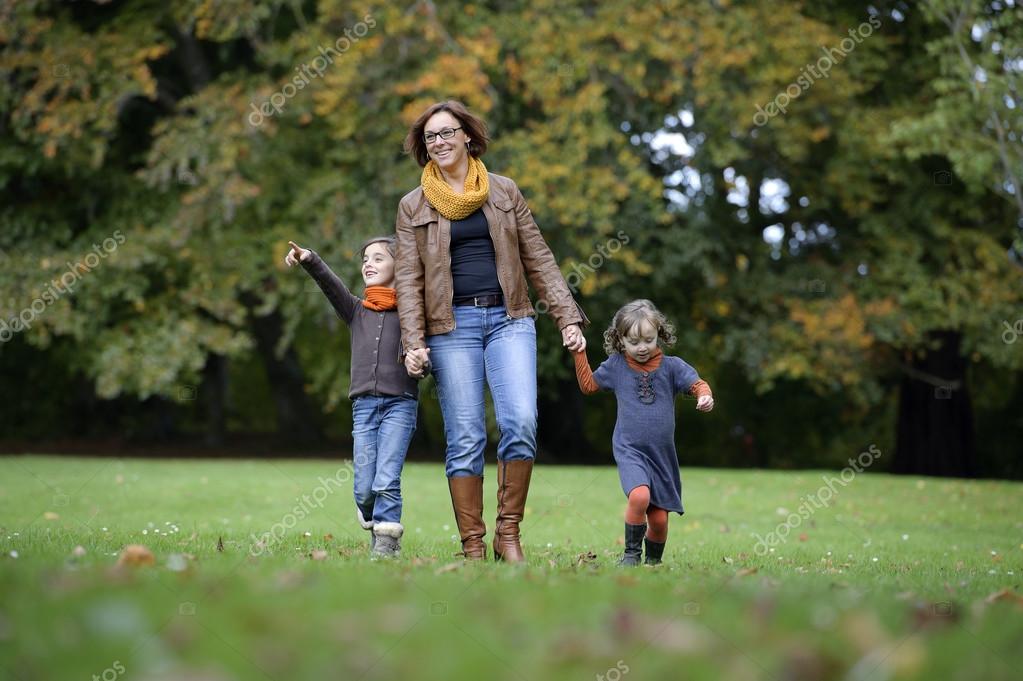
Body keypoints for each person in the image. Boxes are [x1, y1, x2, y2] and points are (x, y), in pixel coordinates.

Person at [394, 100, 588, 562]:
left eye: (446, 133)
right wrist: (412, 341)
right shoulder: (412, 205)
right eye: (430, 137)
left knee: (520, 422)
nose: (438, 142)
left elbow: (538, 257)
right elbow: (407, 278)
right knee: (465, 438)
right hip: (450, 327)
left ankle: (508, 535)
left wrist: (568, 316)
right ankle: (474, 546)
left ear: (467, 136)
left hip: (510, 319)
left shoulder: (503, 192)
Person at [285, 236, 421, 558]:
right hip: (364, 407)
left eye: (378, 259)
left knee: (387, 477)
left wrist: (421, 363)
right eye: (365, 260)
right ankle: (374, 518)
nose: (368, 265)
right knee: (364, 487)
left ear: (397, 267)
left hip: (400, 404)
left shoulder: (414, 316)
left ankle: (387, 543)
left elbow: (423, 357)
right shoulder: (355, 311)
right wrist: (309, 259)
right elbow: (331, 286)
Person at [572, 299, 714, 566]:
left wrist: (704, 396)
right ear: (620, 339)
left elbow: (697, 384)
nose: (641, 348)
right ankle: (631, 555)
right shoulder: (616, 366)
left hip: (661, 455)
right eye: (633, 342)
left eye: (648, 340)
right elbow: (589, 385)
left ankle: (653, 563)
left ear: (659, 335)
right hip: (630, 449)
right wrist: (579, 352)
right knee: (639, 496)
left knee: (659, 519)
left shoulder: (672, 367)